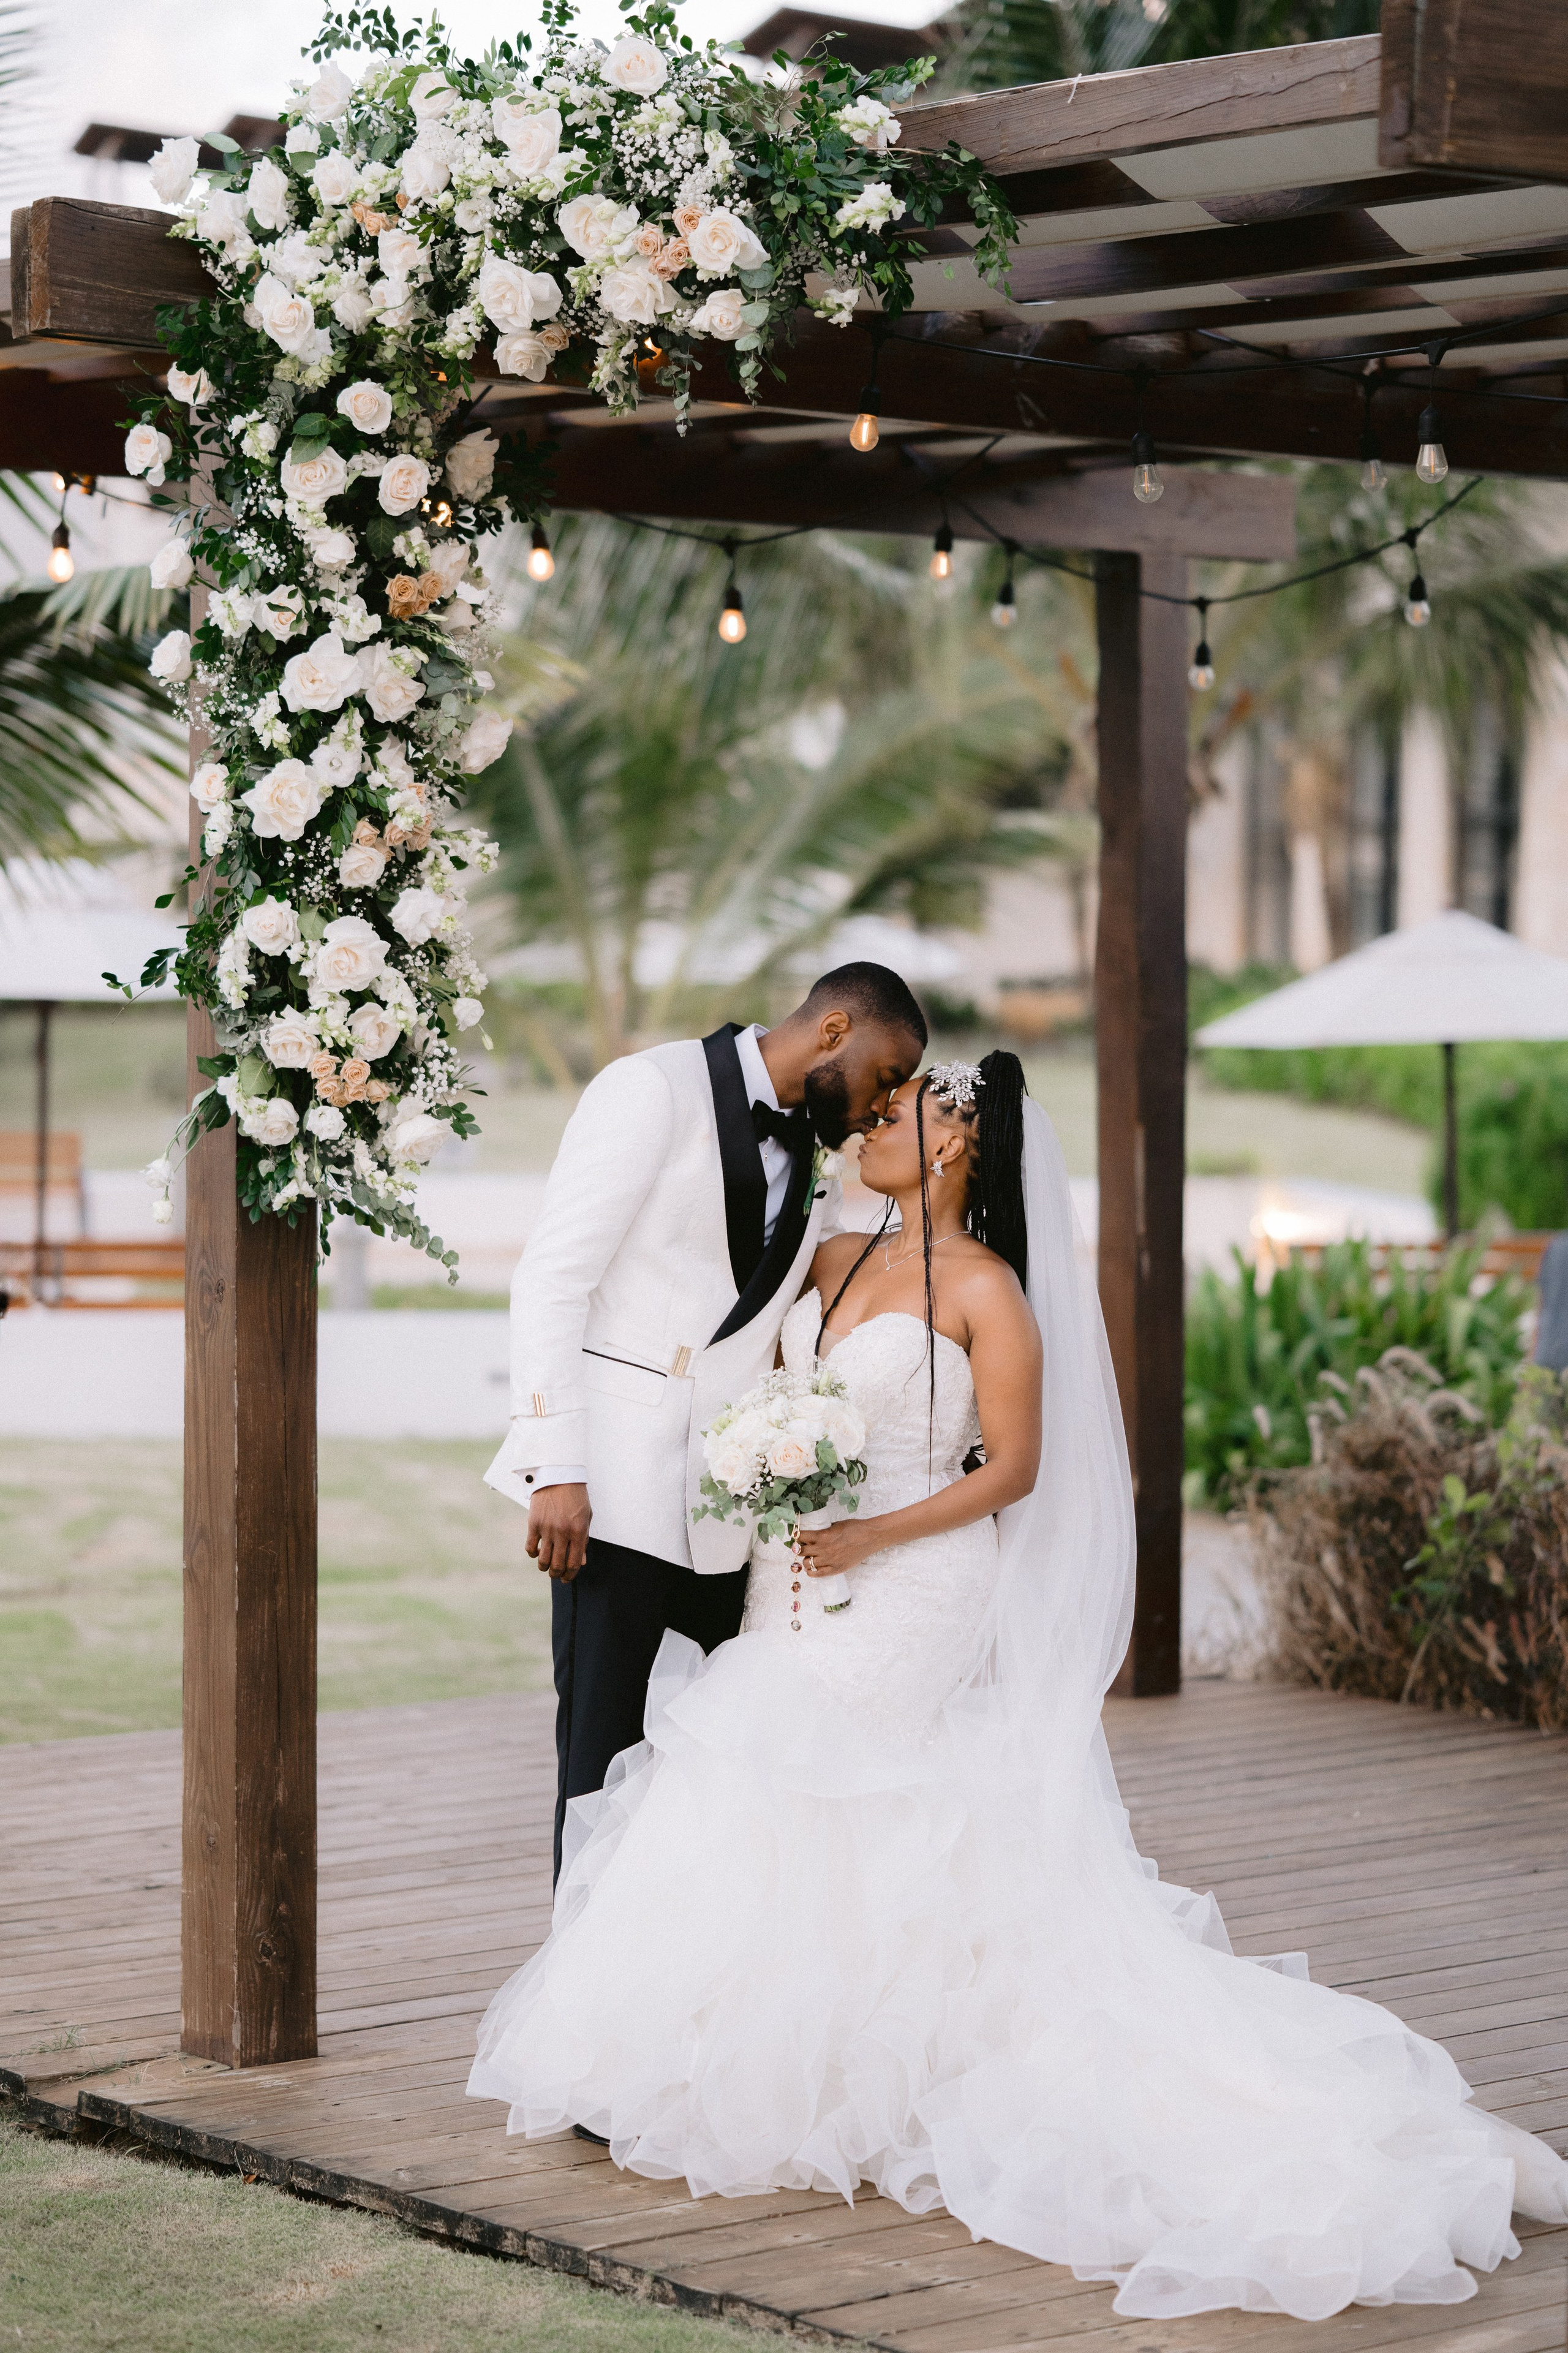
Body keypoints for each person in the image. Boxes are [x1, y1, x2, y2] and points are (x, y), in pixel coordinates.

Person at [470, 1049, 1568, 2321]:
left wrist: (872, 1534)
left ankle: (874, 2059)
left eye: (896, 1111)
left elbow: (1015, 1471)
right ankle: (755, 2050)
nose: (868, 1124)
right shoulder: (825, 1254)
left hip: (914, 1581)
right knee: (762, 1772)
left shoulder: (989, 1290)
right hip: (790, 1572)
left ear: (949, 1147)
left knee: (842, 1776)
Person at [484, 962, 927, 1880]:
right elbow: (551, 1280)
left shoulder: (818, 1156)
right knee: (599, 1761)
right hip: (612, 1493)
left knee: (709, 1770)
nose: (881, 1108)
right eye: (884, 1078)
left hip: (731, 1518)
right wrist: (555, 1466)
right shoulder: (648, 1089)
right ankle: (578, 2000)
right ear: (835, 1032)